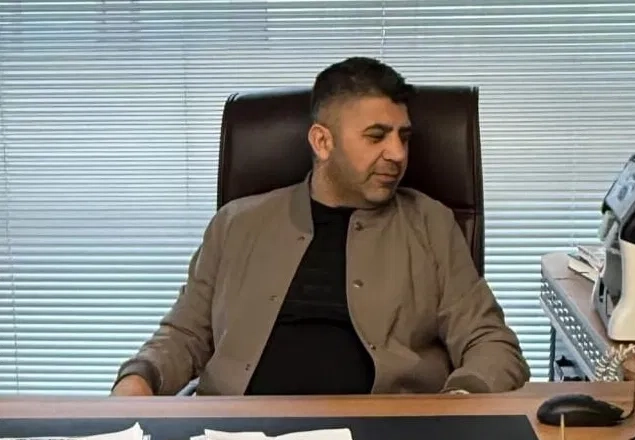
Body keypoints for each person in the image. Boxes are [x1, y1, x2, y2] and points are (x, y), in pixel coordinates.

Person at [111, 56, 530, 396]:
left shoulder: (431, 224)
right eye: (377, 136)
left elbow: (491, 343)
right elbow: (185, 335)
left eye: (403, 136)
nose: (398, 153)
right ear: (322, 141)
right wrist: (138, 379)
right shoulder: (235, 224)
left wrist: (458, 404)